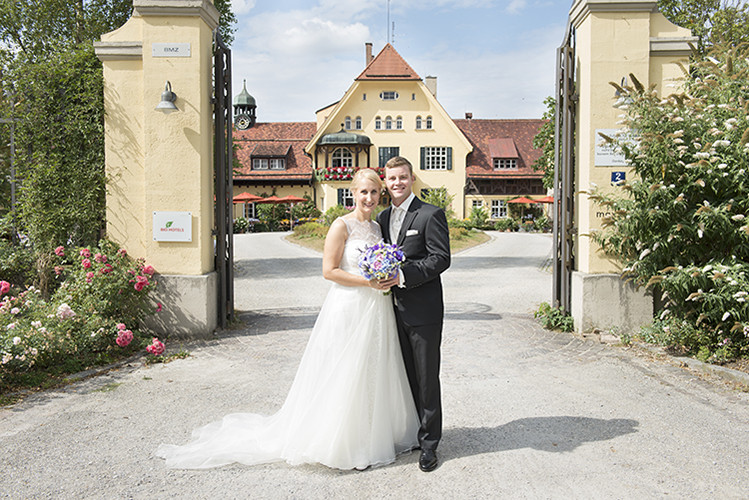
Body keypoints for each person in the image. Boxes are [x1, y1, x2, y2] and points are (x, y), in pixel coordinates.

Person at [156, 168, 419, 470]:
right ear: (352, 193)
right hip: (348, 305)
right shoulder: (341, 225)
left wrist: (383, 278)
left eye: (374, 192)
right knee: (343, 368)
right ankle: (341, 440)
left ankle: (373, 434)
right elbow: (329, 271)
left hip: (376, 308)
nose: (369, 197)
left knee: (373, 368)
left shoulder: (376, 227)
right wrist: (367, 283)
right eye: (363, 192)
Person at [376, 156, 451, 472]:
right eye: (392, 178)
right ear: (386, 181)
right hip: (390, 311)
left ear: (412, 178)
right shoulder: (381, 218)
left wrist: (402, 276)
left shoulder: (430, 214)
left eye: (402, 177)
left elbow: (441, 259)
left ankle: (430, 445)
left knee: (426, 378)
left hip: (423, 311)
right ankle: (413, 432)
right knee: (405, 376)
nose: (397, 183)